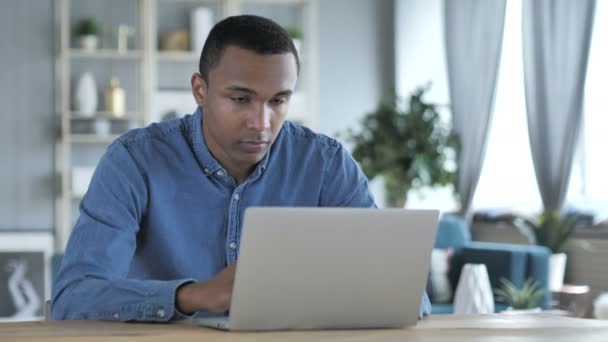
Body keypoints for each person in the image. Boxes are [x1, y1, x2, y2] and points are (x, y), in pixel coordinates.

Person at [51, 15, 431, 321]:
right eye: (240, 99)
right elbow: (75, 296)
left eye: (278, 100)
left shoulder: (326, 164)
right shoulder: (134, 161)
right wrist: (194, 295)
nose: (261, 122)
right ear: (200, 90)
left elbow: (408, 297)